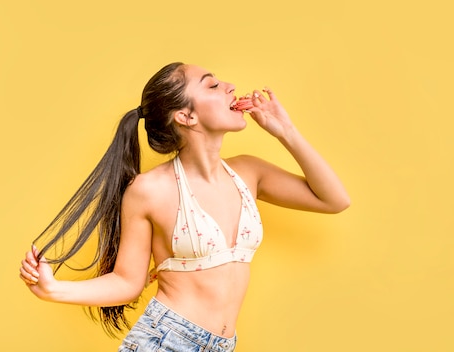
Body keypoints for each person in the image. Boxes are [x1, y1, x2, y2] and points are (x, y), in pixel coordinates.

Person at [18, 62, 350, 352]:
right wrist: (54, 290)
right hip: (166, 341)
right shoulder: (149, 190)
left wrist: (285, 131)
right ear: (186, 115)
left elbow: (334, 200)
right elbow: (126, 282)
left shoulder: (249, 173)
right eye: (213, 84)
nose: (230, 87)